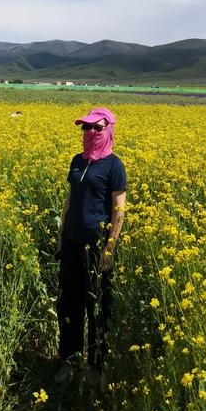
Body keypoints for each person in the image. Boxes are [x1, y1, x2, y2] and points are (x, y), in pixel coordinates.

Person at [55, 107, 126, 379]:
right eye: (86, 127)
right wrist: (62, 238)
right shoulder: (77, 160)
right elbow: (69, 201)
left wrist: (109, 249)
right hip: (72, 243)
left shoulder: (114, 166)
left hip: (96, 248)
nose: (91, 132)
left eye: (97, 127)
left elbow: (118, 210)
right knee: (68, 304)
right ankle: (69, 361)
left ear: (108, 130)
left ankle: (97, 367)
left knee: (96, 307)